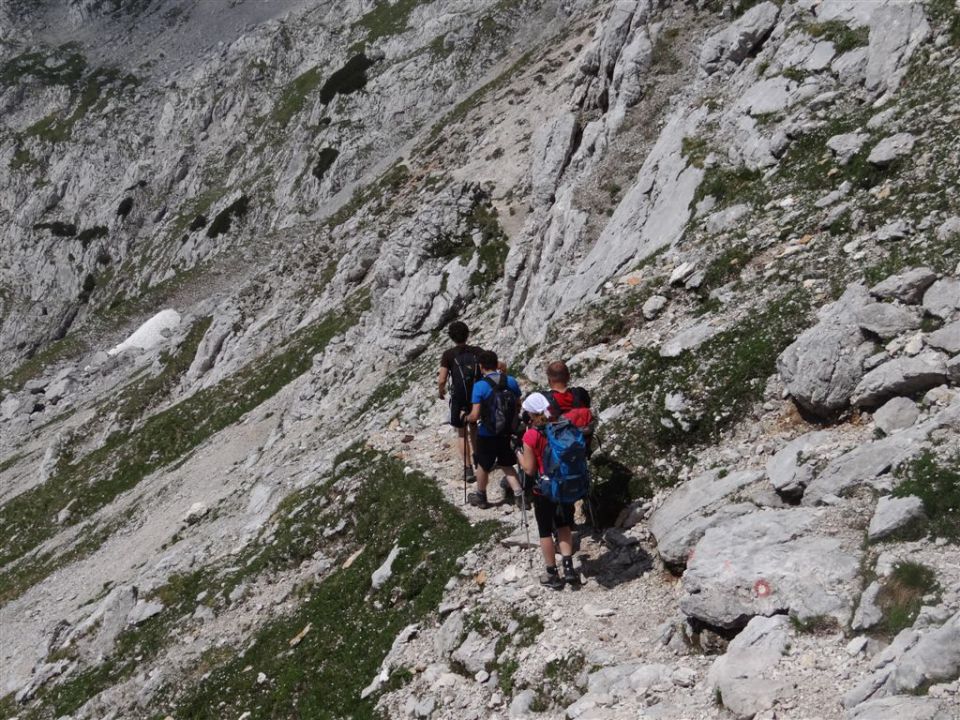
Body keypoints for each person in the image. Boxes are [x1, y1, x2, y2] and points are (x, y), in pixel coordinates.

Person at [517, 392, 581, 589]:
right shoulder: (560, 426)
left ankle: (552, 572)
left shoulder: (531, 434)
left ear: (531, 413)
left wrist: (518, 453)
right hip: (563, 483)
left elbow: (529, 469)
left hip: (543, 489)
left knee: (545, 530)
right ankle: (569, 568)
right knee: (563, 524)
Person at [464, 350, 524, 509]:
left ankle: (481, 496)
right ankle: (519, 495)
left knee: (483, 465)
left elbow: (475, 415)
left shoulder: (480, 386)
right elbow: (518, 404)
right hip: (507, 431)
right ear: (496, 363)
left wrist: (466, 417)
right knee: (506, 463)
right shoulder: (511, 381)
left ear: (481, 367)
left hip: (487, 433)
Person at [438, 322, 484, 482]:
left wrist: (441, 391)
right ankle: (479, 460)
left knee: (461, 432)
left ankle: (468, 468)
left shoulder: (448, 354)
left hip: (459, 396)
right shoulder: (477, 352)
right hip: (477, 395)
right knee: (474, 427)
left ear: (451, 337)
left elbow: (442, 379)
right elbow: (493, 366)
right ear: (467, 334)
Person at [542, 360, 595, 454]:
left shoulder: (544, 399)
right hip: (581, 446)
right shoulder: (580, 394)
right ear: (568, 377)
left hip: (558, 450)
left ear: (549, 380)